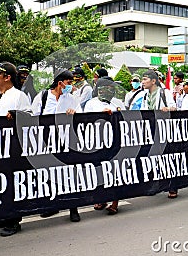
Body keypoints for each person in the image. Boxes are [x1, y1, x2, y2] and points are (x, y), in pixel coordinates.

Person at [0, 62, 31, 237]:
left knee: (12, 182)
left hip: (12, 147)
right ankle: (2, 215)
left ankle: (13, 219)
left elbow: (30, 117)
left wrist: (17, 115)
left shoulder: (19, 96)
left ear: (7, 77)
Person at [31, 68, 81, 222]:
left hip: (67, 141)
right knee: (49, 174)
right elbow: (34, 117)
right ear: (60, 83)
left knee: (70, 174)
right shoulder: (43, 96)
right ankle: (52, 205)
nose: (71, 86)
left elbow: (82, 115)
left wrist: (75, 113)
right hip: (48, 141)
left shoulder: (71, 98)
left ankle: (73, 208)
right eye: (68, 82)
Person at [85, 77, 125, 214]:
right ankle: (101, 198)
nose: (109, 90)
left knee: (114, 172)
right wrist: (99, 116)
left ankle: (115, 202)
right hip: (97, 143)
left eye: (111, 88)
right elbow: (85, 121)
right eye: (106, 87)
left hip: (114, 143)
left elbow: (126, 120)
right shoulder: (91, 104)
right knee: (99, 172)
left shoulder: (118, 103)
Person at [140, 70, 177, 198]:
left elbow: (174, 107)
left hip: (164, 130)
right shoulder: (145, 95)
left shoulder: (164, 92)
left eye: (145, 79)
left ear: (153, 81)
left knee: (167, 157)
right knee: (153, 158)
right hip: (152, 131)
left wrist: (167, 109)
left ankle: (172, 186)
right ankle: (155, 185)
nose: (142, 82)